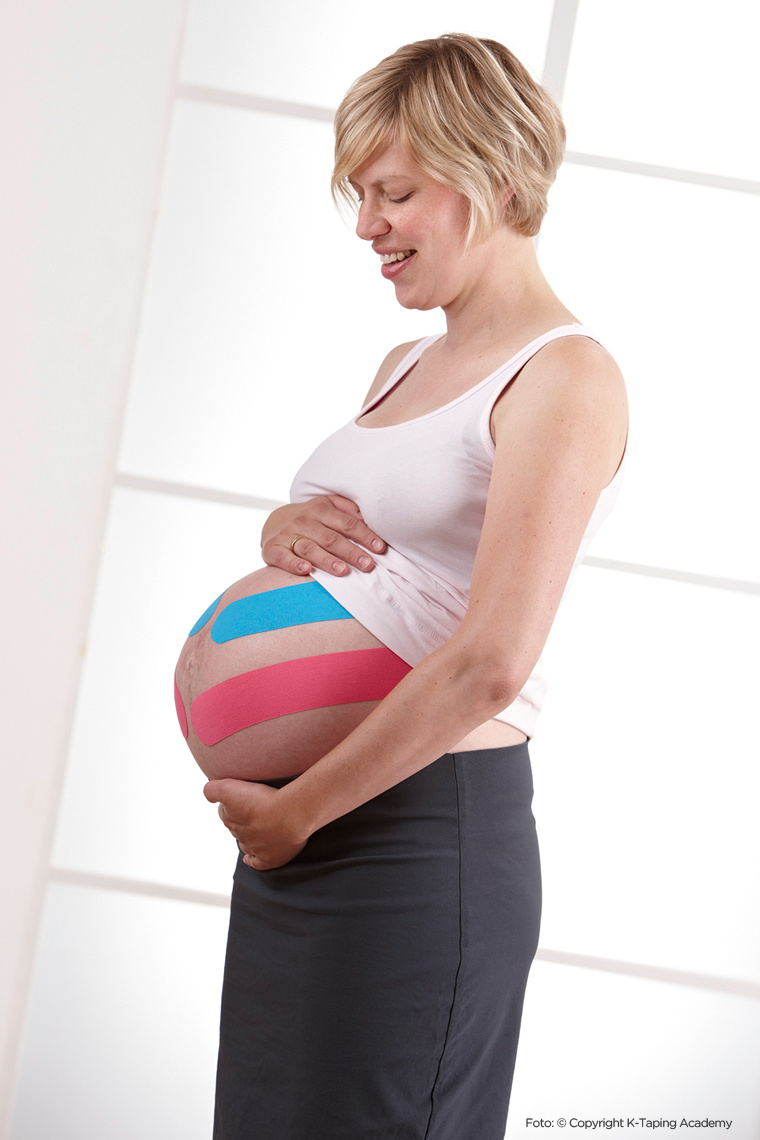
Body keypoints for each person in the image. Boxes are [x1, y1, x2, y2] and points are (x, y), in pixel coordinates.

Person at [192, 32, 628, 1139]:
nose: (367, 226)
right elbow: (383, 558)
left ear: (494, 177)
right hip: (309, 831)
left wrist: (294, 812)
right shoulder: (405, 366)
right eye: (361, 196)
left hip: (414, 835)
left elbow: (491, 663)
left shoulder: (565, 376)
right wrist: (284, 527)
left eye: (393, 193)